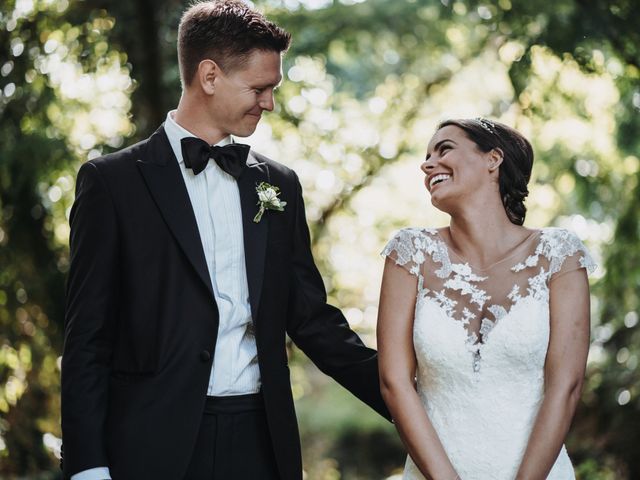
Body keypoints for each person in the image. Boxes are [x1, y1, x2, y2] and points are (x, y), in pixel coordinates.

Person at [61, 1, 389, 479]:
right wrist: (88, 466)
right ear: (209, 76)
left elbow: (312, 319)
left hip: (262, 440)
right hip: (151, 443)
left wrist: (407, 399)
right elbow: (87, 338)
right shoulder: (111, 184)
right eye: (259, 88)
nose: (270, 103)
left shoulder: (278, 185)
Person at [377, 118, 595, 479]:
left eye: (444, 149)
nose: (427, 164)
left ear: (493, 159)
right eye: (426, 156)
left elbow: (566, 387)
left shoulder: (560, 255)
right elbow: (394, 382)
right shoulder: (409, 252)